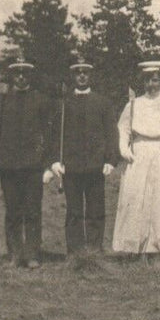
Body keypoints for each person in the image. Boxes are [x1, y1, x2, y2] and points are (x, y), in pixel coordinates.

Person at [111, 61, 160, 255]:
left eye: (155, 80)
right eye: (147, 80)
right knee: (136, 199)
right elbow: (123, 129)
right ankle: (134, 246)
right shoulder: (133, 105)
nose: (151, 84)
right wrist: (123, 148)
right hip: (139, 155)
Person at [51, 60, 119, 255]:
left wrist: (110, 160)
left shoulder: (103, 103)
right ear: (73, 76)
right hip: (70, 166)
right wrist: (56, 160)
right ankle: (75, 251)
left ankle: (95, 249)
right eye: (78, 73)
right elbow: (55, 134)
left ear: (91, 76)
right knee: (73, 211)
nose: (82, 76)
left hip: (95, 165)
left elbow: (111, 133)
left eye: (85, 73)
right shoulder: (63, 104)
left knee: (96, 210)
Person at [0, 58, 54, 268]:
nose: (20, 77)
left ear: (29, 76)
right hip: (8, 165)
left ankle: (33, 253)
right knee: (12, 211)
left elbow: (48, 133)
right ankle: (15, 253)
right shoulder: (2, 101)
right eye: (17, 73)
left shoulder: (41, 100)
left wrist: (46, 164)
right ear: (12, 76)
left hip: (33, 165)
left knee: (32, 210)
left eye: (24, 74)